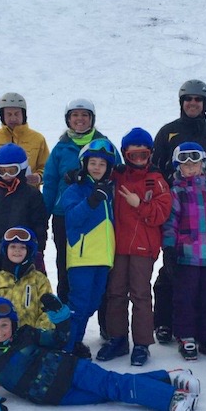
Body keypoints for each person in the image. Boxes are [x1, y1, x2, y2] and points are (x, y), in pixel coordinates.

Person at [0, 296, 200, 411]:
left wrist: (61, 318)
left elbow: (59, 340)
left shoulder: (26, 334)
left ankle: (171, 399)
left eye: (4, 325)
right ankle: (168, 378)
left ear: (13, 324)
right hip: (56, 397)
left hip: (71, 369)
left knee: (115, 387)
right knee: (111, 392)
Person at [151, 80, 206, 344]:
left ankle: (205, 331)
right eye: (188, 100)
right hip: (175, 207)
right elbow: (155, 166)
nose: (193, 103)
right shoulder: (168, 132)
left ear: (204, 104)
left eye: (198, 100)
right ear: (182, 103)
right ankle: (164, 322)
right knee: (170, 275)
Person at [99, 128, 172, 366]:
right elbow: (96, 173)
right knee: (116, 292)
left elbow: (162, 212)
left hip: (143, 246)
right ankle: (118, 338)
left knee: (140, 294)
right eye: (133, 156)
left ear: (150, 154)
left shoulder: (156, 180)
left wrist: (139, 204)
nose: (139, 160)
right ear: (125, 155)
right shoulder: (118, 176)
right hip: (119, 245)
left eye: (143, 155)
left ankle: (142, 343)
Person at [162, 142, 206, 361]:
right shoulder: (176, 191)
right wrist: (169, 249)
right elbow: (170, 222)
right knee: (185, 298)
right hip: (186, 257)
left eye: (195, 163)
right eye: (186, 165)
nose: (191, 168)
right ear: (178, 168)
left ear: (203, 164)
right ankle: (186, 336)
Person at [42, 99, 119, 301]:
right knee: (66, 266)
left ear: (92, 119)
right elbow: (50, 182)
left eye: (85, 115)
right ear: (68, 119)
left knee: (103, 269)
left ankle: (105, 321)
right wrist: (43, 215)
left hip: (99, 215)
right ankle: (65, 320)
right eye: (75, 115)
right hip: (65, 215)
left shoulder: (105, 144)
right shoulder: (61, 148)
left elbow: (118, 174)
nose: (80, 119)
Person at [58, 138, 118, 358]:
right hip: (82, 258)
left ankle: (75, 341)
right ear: (85, 164)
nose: (97, 168)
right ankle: (68, 346)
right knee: (79, 304)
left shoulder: (109, 189)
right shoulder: (75, 190)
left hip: (103, 257)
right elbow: (72, 219)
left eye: (102, 164)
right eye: (93, 163)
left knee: (93, 302)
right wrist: (91, 200)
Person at [0, 143, 48, 307]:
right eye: (1, 170)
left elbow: (40, 227)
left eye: (11, 170)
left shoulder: (32, 195)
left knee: (18, 296)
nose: (6, 175)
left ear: (22, 169)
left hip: (20, 255)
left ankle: (21, 328)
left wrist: (38, 252)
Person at [0, 227, 54, 331]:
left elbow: (48, 310)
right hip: (2, 336)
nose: (17, 250)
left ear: (29, 251)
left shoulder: (39, 280)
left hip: (31, 339)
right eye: (13, 246)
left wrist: (39, 332)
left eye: (22, 247)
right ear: (5, 249)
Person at [0, 92, 50, 188]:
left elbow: (48, 169)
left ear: (24, 114)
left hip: (29, 197)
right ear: (2, 116)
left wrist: (39, 177)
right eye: (9, 114)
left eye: (17, 114)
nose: (13, 118)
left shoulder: (38, 139)